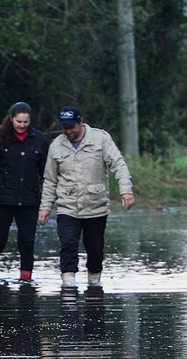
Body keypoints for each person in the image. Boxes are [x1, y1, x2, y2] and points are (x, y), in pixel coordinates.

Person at [37, 105, 134, 288]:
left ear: (80, 122)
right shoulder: (56, 145)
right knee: (68, 246)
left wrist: (126, 190)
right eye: (64, 127)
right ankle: (68, 287)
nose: (68, 131)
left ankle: (94, 284)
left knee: (95, 249)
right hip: (67, 206)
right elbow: (50, 180)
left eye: (71, 127)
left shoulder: (100, 139)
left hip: (95, 206)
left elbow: (118, 165)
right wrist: (45, 207)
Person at [0, 101, 49, 282]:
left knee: (27, 243)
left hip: (29, 199)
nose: (22, 126)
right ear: (11, 119)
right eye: (19, 122)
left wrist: (48, 199)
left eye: (25, 122)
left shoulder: (39, 140)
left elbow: (46, 172)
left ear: (30, 120)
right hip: (1, 199)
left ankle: (26, 282)